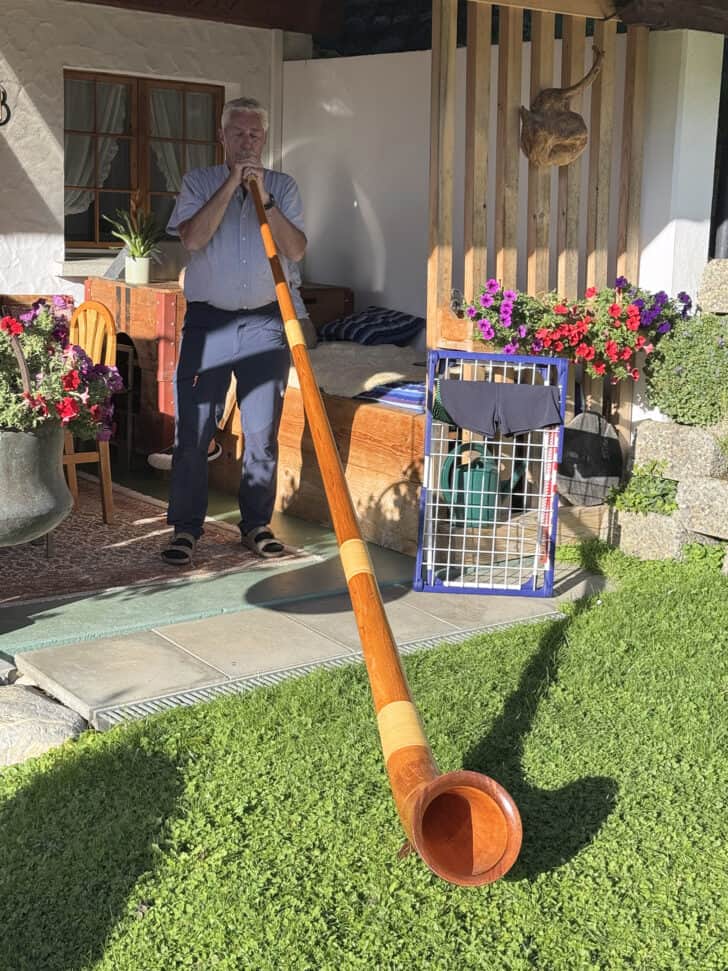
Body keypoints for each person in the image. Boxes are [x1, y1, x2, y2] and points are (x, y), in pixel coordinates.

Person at [161, 96, 307, 565]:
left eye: (255, 135)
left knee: (262, 433)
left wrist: (263, 198)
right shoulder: (198, 182)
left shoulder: (282, 186)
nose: (247, 142)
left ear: (264, 139)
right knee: (194, 429)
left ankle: (256, 525)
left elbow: (296, 250)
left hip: (266, 323)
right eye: (238, 133)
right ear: (221, 137)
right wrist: (230, 184)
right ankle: (186, 529)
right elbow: (193, 239)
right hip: (210, 323)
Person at [148, 266, 315, 472]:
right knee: (215, 354)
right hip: (240, 323)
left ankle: (205, 440)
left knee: (234, 352)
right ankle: (200, 440)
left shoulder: (270, 249)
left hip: (289, 323)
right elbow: (187, 279)